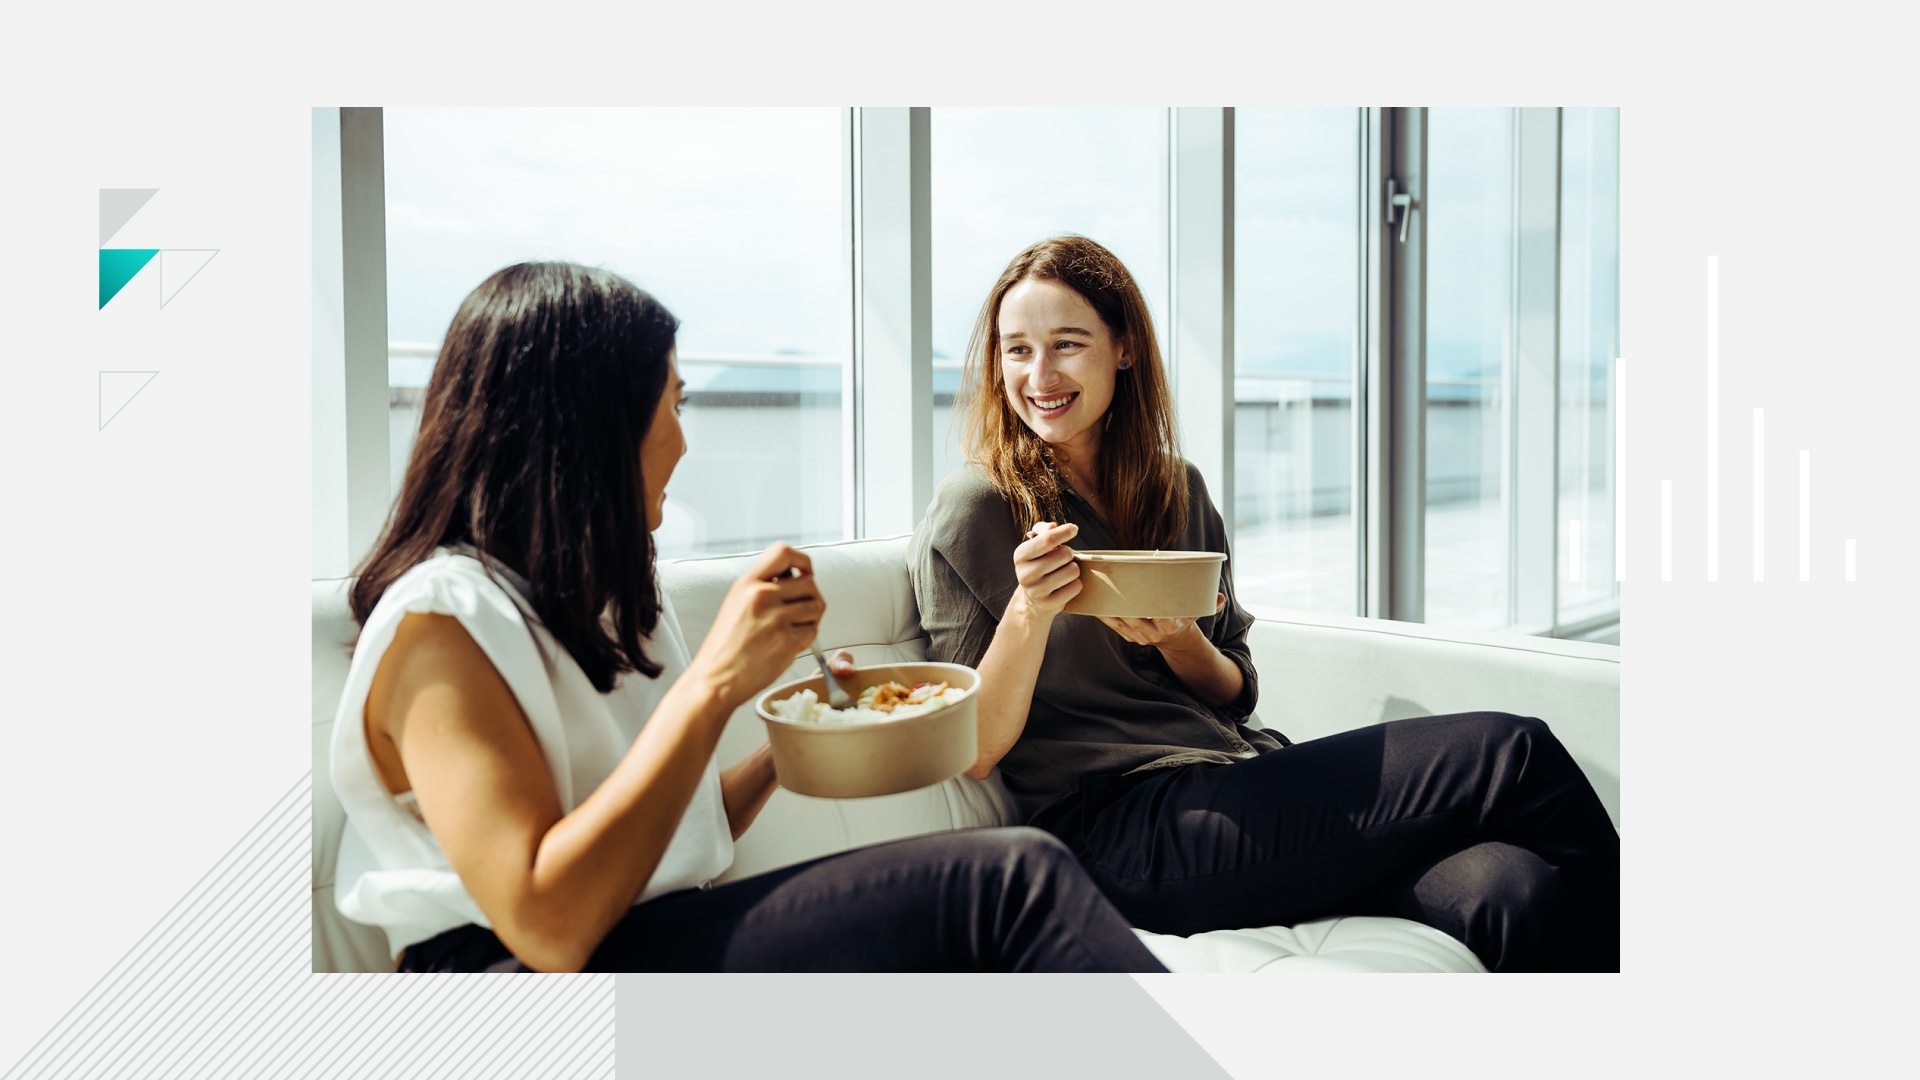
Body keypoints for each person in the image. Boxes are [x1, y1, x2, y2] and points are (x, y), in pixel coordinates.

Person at [330, 261, 1165, 973]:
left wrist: (803, 736)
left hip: (648, 932)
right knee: (1013, 883)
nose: (685, 445)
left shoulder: (607, 606)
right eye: (675, 405)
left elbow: (672, 837)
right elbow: (547, 922)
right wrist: (716, 684)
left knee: (1010, 889)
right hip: (505, 981)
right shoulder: (441, 625)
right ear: (590, 430)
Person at [904, 236, 1620, 972]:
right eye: (1016, 350)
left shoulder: (1176, 490)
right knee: (1512, 750)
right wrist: (1030, 609)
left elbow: (1237, 690)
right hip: (1121, 831)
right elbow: (975, 748)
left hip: (1235, 778)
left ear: (1123, 349)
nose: (1039, 374)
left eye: (1067, 344)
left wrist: (1180, 641)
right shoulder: (978, 508)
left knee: (1511, 891)